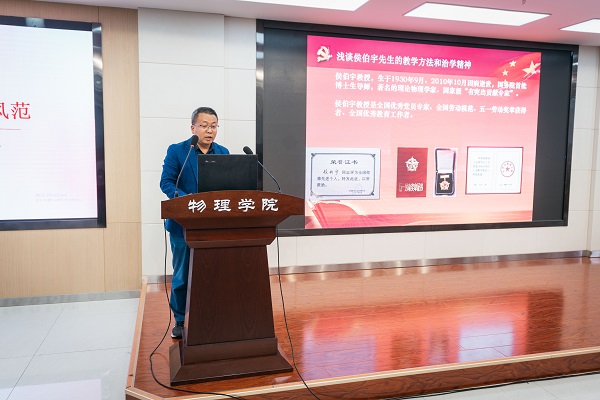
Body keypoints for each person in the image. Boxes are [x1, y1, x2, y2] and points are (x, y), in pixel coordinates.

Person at [159, 106, 229, 339]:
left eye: (214, 126)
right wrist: (185, 200)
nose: (210, 131)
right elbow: (166, 182)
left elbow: (229, 184)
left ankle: (210, 315)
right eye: (204, 125)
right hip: (183, 225)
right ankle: (180, 320)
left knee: (213, 273)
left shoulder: (223, 152)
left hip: (214, 225)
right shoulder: (178, 151)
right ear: (193, 128)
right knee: (182, 275)